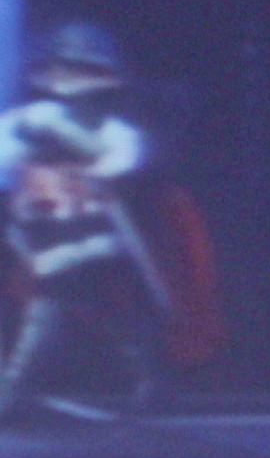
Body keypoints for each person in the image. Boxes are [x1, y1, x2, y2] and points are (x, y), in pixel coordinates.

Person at [0, 21, 223, 424]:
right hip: (44, 242)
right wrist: (32, 135)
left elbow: (118, 163)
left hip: (99, 241)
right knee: (49, 316)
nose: (73, 79)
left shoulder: (116, 132)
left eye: (86, 69)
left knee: (120, 317)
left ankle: (155, 381)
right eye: (66, 68)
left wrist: (62, 132)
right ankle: (14, 391)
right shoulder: (23, 122)